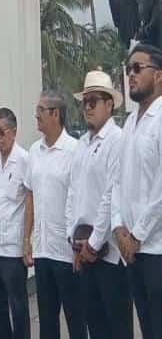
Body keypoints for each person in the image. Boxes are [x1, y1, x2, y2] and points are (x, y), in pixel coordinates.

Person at [67, 70, 132, 339]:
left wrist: (94, 242)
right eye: (85, 101)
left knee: (116, 326)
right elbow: (73, 193)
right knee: (94, 325)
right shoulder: (82, 143)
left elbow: (111, 195)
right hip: (83, 249)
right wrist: (73, 239)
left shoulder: (117, 140)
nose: (88, 107)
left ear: (110, 104)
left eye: (95, 101)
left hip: (108, 252)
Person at [24, 91, 84, 339]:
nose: (36, 114)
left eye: (41, 109)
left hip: (67, 251)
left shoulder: (74, 150)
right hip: (42, 249)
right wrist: (26, 240)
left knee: (75, 317)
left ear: (55, 114)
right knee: (47, 319)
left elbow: (80, 201)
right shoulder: (34, 151)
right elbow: (30, 197)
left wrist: (79, 248)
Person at [112, 44, 162, 339]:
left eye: (137, 68)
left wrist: (138, 235)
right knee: (145, 327)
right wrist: (119, 227)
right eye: (128, 69)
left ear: (158, 76)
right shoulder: (130, 122)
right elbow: (117, 180)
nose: (130, 74)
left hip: (155, 248)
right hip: (130, 249)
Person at [0, 108, 30, 339]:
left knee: (18, 306)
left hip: (12, 247)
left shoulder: (23, 160)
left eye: (2, 132)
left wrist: (27, 243)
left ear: (14, 132)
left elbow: (32, 204)